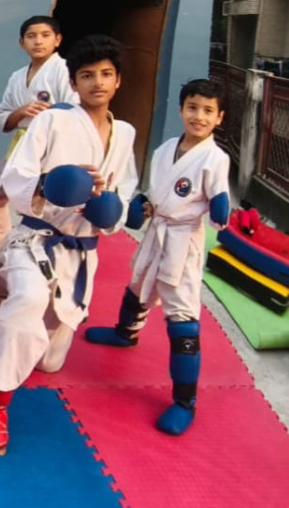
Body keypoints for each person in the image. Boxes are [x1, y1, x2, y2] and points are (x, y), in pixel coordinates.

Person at [0, 34, 139, 456]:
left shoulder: (125, 133)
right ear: (74, 82)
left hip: (80, 252)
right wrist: (48, 184)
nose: (97, 83)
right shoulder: (52, 121)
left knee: (48, 362)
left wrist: (111, 210)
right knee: (28, 302)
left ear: (118, 80)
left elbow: (126, 187)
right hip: (37, 237)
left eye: (106, 74)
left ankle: (2, 295)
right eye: (87, 75)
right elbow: (16, 174)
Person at [85, 79, 230, 436]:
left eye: (208, 111)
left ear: (219, 118)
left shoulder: (215, 158)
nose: (198, 116)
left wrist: (221, 208)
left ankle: (185, 401)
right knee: (138, 285)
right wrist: (143, 205)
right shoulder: (166, 149)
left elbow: (217, 203)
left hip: (183, 240)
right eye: (192, 107)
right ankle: (125, 333)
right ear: (181, 110)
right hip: (158, 231)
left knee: (182, 316)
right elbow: (155, 192)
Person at [0, 16, 81, 263]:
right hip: (21, 143)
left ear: (58, 40)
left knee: (44, 205)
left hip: (52, 147)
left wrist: (50, 115)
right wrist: (21, 111)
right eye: (31, 36)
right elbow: (3, 117)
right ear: (21, 43)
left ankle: (43, 257)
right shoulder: (17, 76)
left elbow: (76, 111)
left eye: (45, 35)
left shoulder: (64, 70)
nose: (38, 41)